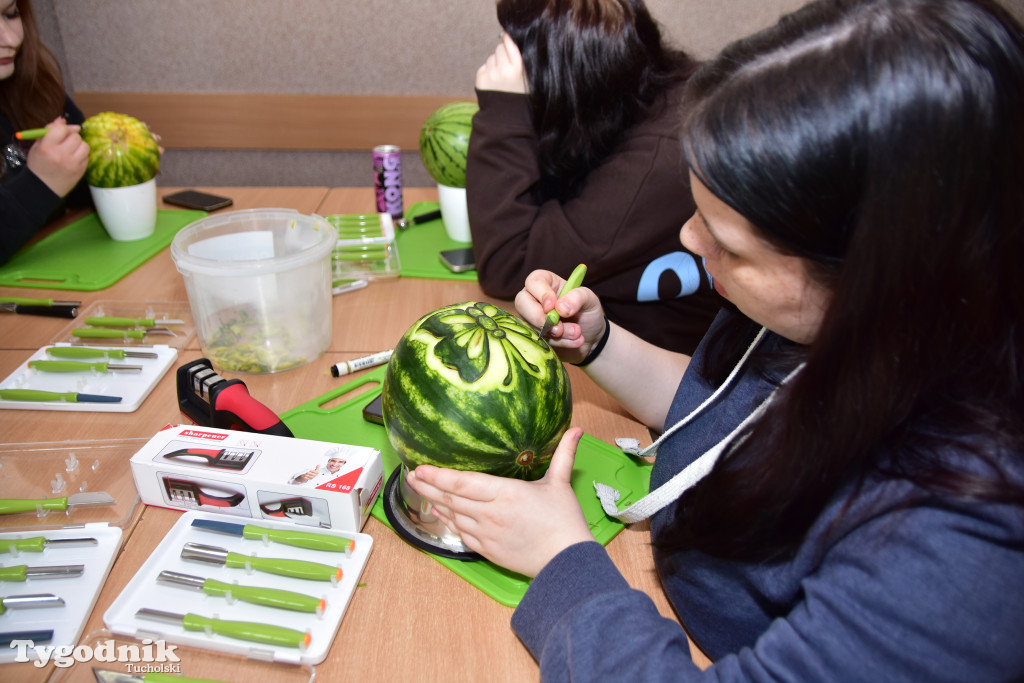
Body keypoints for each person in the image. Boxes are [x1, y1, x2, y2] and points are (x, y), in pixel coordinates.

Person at [407, 0, 1024, 679]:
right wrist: (601, 343)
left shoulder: (960, 542)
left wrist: (561, 559)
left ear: (875, 273)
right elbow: (737, 413)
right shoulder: (857, 325)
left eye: (726, 242)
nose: (687, 240)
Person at [465, 0, 722, 355]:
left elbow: (507, 266)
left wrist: (504, 111)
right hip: (620, 349)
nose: (501, 55)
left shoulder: (661, 161)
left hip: (668, 374)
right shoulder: (631, 92)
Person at [0, 0, 90, 266]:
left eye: (11, 14)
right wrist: (40, 184)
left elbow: (82, 196)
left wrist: (119, 159)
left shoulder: (34, 87)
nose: (12, 38)